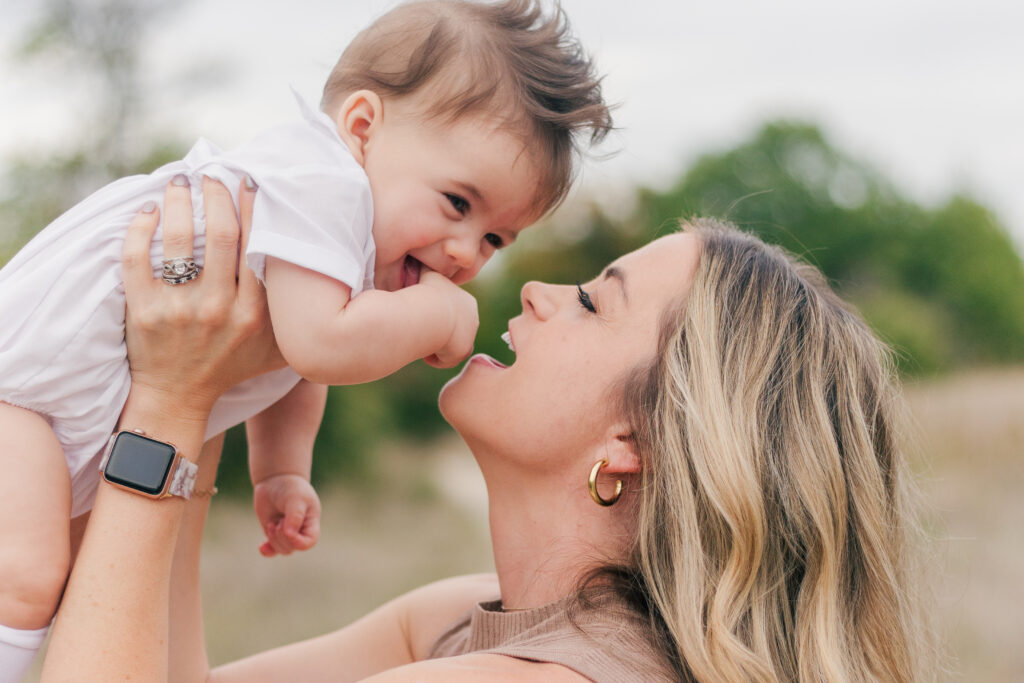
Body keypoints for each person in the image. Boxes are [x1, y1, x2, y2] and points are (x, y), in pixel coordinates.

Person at [41, 175, 934, 681]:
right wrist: (212, 400)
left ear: (639, 439)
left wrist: (167, 404)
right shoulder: (473, 621)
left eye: (591, 301)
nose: (540, 293)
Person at [0, 1, 612, 676]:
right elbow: (320, 344)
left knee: (80, 587)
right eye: (457, 203)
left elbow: (298, 365)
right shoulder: (325, 182)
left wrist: (282, 467)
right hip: (24, 390)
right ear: (362, 127)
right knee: (28, 574)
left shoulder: (340, 246)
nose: (466, 252)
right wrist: (438, 317)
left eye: (495, 237)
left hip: (70, 411)